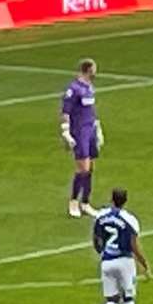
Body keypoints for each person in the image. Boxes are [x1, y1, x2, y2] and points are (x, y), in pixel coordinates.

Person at [92, 187, 150, 304]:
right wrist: (144, 264)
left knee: (111, 299)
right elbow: (134, 245)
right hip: (124, 262)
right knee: (128, 297)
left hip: (107, 262)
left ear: (112, 199)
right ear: (125, 201)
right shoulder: (130, 219)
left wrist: (101, 253)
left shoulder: (101, 216)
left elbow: (96, 238)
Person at [60, 58, 104, 219]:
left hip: (90, 129)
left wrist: (98, 127)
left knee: (91, 167)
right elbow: (66, 111)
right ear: (88, 70)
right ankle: (73, 201)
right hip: (79, 131)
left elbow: (91, 109)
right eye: (94, 69)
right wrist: (65, 131)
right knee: (83, 168)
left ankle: (85, 203)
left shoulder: (90, 87)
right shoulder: (74, 89)